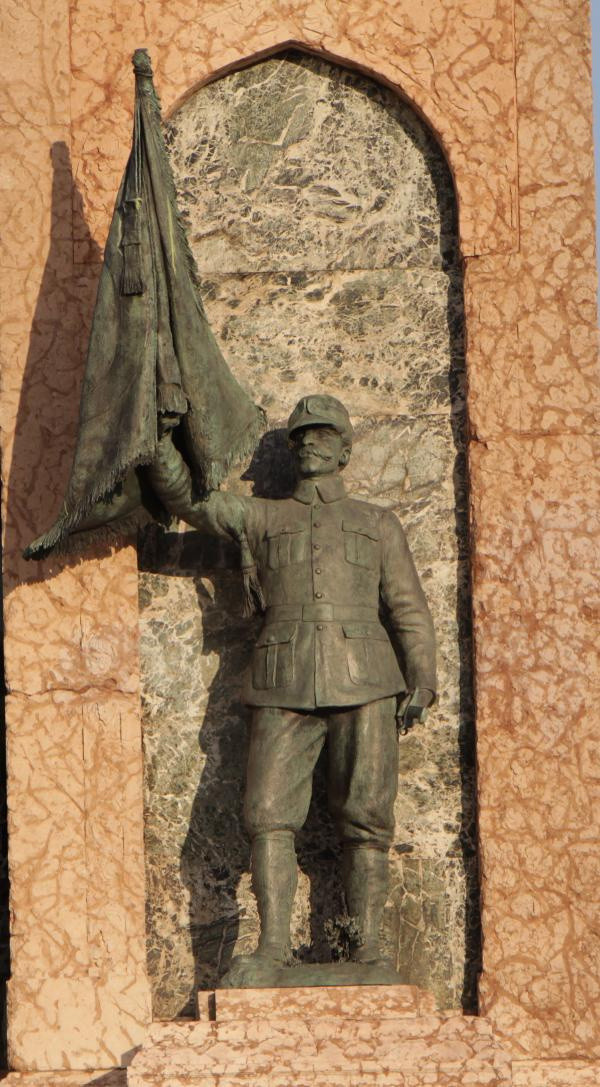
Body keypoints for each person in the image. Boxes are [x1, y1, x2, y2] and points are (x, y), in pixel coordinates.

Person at [149, 393, 436, 970]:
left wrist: (422, 675)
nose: (310, 443)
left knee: (367, 817)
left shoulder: (377, 523)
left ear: (345, 450)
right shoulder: (261, 517)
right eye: (302, 436)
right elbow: (188, 499)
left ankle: (368, 949)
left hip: (368, 679)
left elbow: (407, 608)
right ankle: (273, 947)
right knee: (267, 814)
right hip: (283, 678)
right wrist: (153, 437)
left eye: (324, 435)